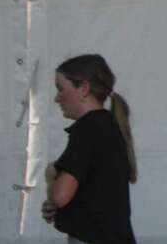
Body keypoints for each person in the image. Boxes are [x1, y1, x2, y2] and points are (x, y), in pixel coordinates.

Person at [41, 54, 138, 244]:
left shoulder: (87, 130)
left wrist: (51, 174)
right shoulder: (108, 126)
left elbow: (60, 196)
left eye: (60, 89)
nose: (56, 98)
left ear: (84, 89)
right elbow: (95, 193)